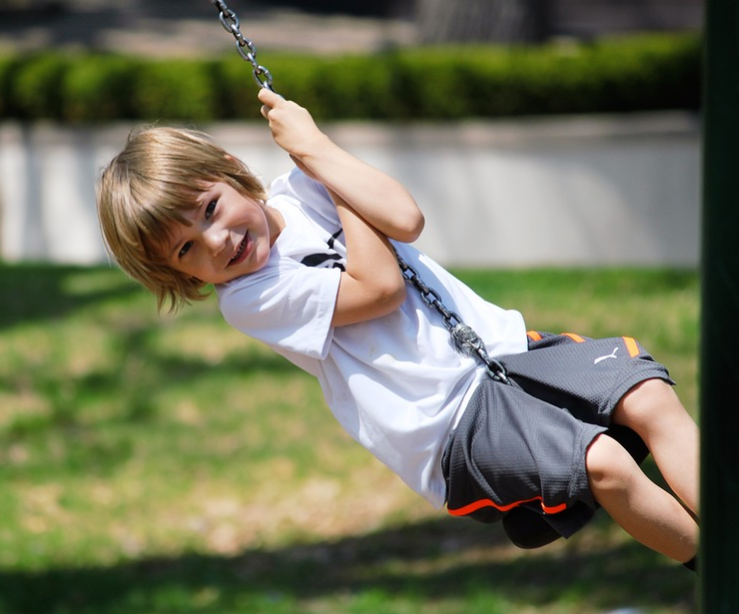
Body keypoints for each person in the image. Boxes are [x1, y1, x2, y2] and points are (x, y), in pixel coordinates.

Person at [96, 88, 700, 570]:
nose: (217, 241)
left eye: (210, 209)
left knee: (647, 395)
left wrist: (317, 150)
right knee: (604, 463)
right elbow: (380, 288)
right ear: (179, 275)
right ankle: (718, 573)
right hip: (448, 423)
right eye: (187, 249)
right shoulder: (251, 297)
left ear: (230, 170)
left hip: (506, 352)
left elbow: (405, 219)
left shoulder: (303, 187)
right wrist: (330, 175)